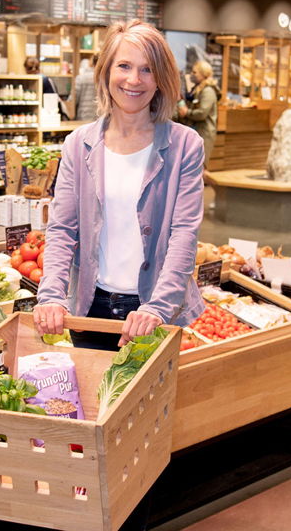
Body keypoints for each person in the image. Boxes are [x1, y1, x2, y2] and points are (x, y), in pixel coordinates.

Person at [34, 19, 206, 353]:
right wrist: (52, 295)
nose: (133, 80)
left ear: (161, 80)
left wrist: (157, 308)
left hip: (154, 313)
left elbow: (184, 234)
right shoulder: (78, 144)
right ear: (106, 72)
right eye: (124, 66)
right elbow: (62, 230)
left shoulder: (185, 145)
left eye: (147, 70)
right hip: (89, 309)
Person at [176, 60, 220, 168]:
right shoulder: (197, 90)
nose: (191, 75)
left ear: (203, 74)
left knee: (200, 166)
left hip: (204, 133)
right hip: (197, 131)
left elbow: (202, 113)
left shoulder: (208, 91)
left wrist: (187, 112)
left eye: (195, 72)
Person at [74, 54, 98, 121]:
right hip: (100, 117)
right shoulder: (104, 78)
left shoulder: (81, 78)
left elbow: (74, 98)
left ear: (91, 63)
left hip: (84, 116)